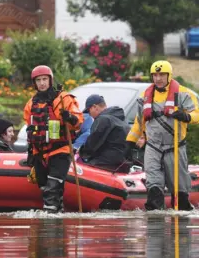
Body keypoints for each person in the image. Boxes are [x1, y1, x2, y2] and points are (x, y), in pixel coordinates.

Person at [126, 60, 199, 211]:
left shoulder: (183, 94)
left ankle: (181, 219)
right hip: (153, 147)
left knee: (180, 189)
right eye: (155, 75)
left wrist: (185, 116)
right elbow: (139, 123)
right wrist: (130, 142)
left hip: (175, 147)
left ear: (169, 75)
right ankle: (155, 222)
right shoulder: (144, 97)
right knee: (153, 184)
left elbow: (197, 116)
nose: (158, 78)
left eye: (162, 75)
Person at [24, 65, 83, 213]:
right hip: (40, 152)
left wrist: (69, 117)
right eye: (38, 80)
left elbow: (78, 122)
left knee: (52, 187)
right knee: (46, 188)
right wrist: (31, 153)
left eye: (45, 79)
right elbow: (30, 128)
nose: (42, 83)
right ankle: (57, 221)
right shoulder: (31, 104)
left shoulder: (63, 99)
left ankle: (48, 222)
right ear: (34, 83)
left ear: (50, 80)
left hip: (60, 150)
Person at [78, 94, 130, 170]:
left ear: (94, 107)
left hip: (106, 162)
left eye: (89, 111)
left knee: (82, 167)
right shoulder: (121, 119)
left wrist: (80, 150)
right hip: (123, 163)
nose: (90, 115)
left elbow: (92, 143)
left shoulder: (103, 119)